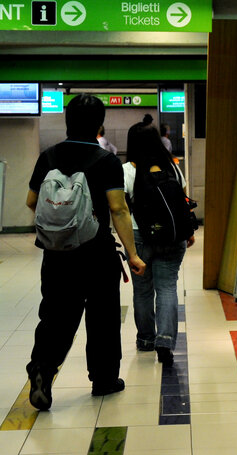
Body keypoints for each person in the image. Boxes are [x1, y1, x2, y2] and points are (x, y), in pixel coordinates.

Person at [25, 94, 146, 410]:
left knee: (55, 315)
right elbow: (118, 209)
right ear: (100, 124)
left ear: (67, 121)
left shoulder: (47, 157)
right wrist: (132, 254)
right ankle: (104, 379)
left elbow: (30, 201)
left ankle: (42, 369)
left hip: (55, 255)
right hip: (96, 253)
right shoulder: (106, 161)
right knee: (102, 316)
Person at [123, 122, 194, 367]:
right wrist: (188, 231)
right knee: (167, 288)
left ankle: (146, 339)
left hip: (139, 236)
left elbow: (119, 208)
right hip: (172, 237)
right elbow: (182, 200)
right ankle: (165, 341)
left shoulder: (127, 171)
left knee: (143, 290)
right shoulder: (172, 168)